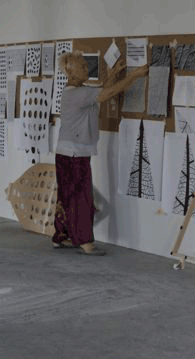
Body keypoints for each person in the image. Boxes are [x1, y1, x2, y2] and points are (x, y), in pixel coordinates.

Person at [52, 52, 148, 255]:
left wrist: (112, 75)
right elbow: (107, 93)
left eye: (86, 66)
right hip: (75, 154)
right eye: (83, 67)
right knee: (81, 198)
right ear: (71, 72)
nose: (87, 69)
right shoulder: (78, 95)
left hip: (66, 153)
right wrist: (135, 75)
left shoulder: (74, 91)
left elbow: (102, 89)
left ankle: (62, 235)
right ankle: (85, 242)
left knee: (67, 196)